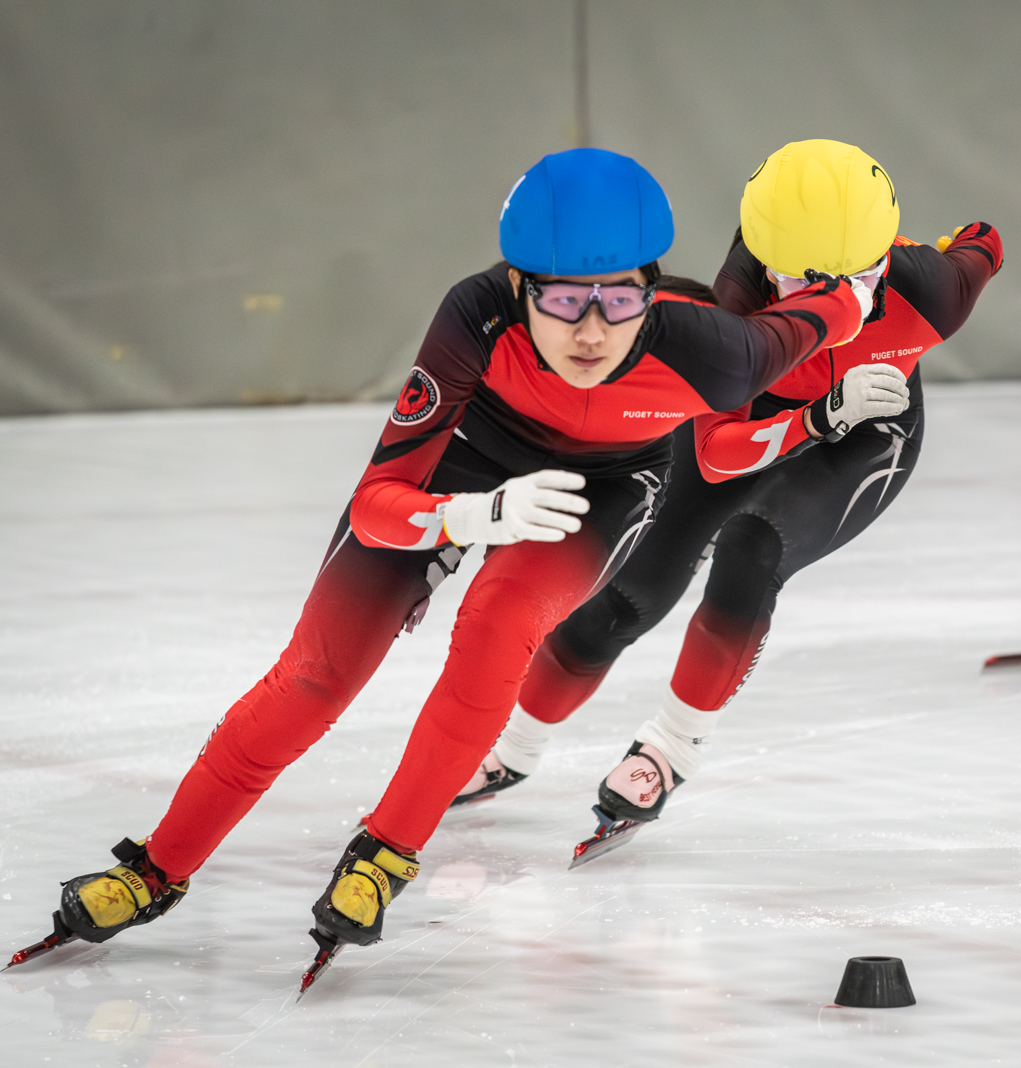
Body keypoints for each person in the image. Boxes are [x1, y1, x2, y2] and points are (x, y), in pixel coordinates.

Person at [32, 147, 870, 968]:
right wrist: (470, 515)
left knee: (501, 626)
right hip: (464, 461)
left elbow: (829, 310)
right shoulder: (475, 315)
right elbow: (379, 501)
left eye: (619, 300)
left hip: (603, 486)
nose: (590, 330)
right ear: (519, 286)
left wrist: (859, 283)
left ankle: (386, 854)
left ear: (651, 291)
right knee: (316, 674)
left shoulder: (718, 351)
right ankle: (155, 867)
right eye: (563, 299)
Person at [451, 139, 1002, 836]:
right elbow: (715, 456)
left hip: (870, 427)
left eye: (853, 279)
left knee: (751, 550)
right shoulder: (741, 297)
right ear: (764, 257)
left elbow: (985, 240)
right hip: (765, 416)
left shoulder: (934, 288)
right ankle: (514, 748)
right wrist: (817, 416)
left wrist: (941, 248)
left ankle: (671, 749)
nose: (828, 301)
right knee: (626, 595)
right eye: (795, 282)